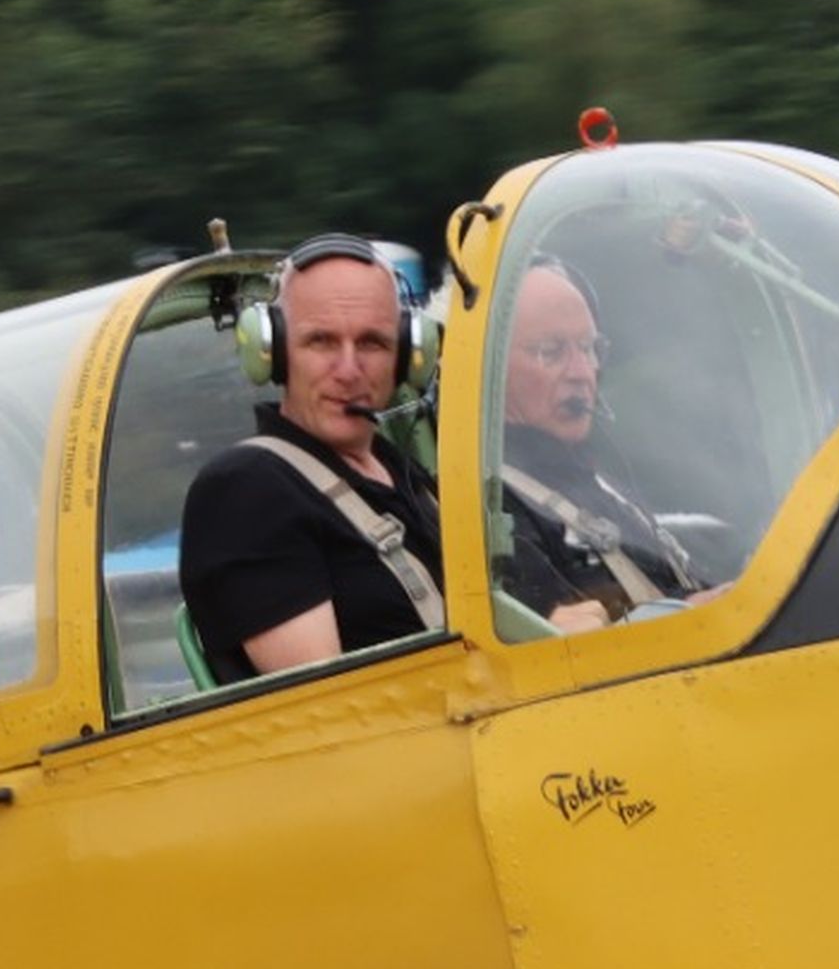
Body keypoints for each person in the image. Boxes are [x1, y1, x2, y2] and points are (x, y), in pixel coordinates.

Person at [177, 238, 443, 683]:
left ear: (406, 355)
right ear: (274, 353)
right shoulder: (247, 491)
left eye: (372, 343)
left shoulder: (401, 472)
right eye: (321, 341)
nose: (348, 369)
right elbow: (328, 703)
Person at [493, 258, 705, 629]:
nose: (581, 373)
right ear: (492, 369)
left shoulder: (596, 481)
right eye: (551, 351)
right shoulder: (496, 508)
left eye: (588, 348)